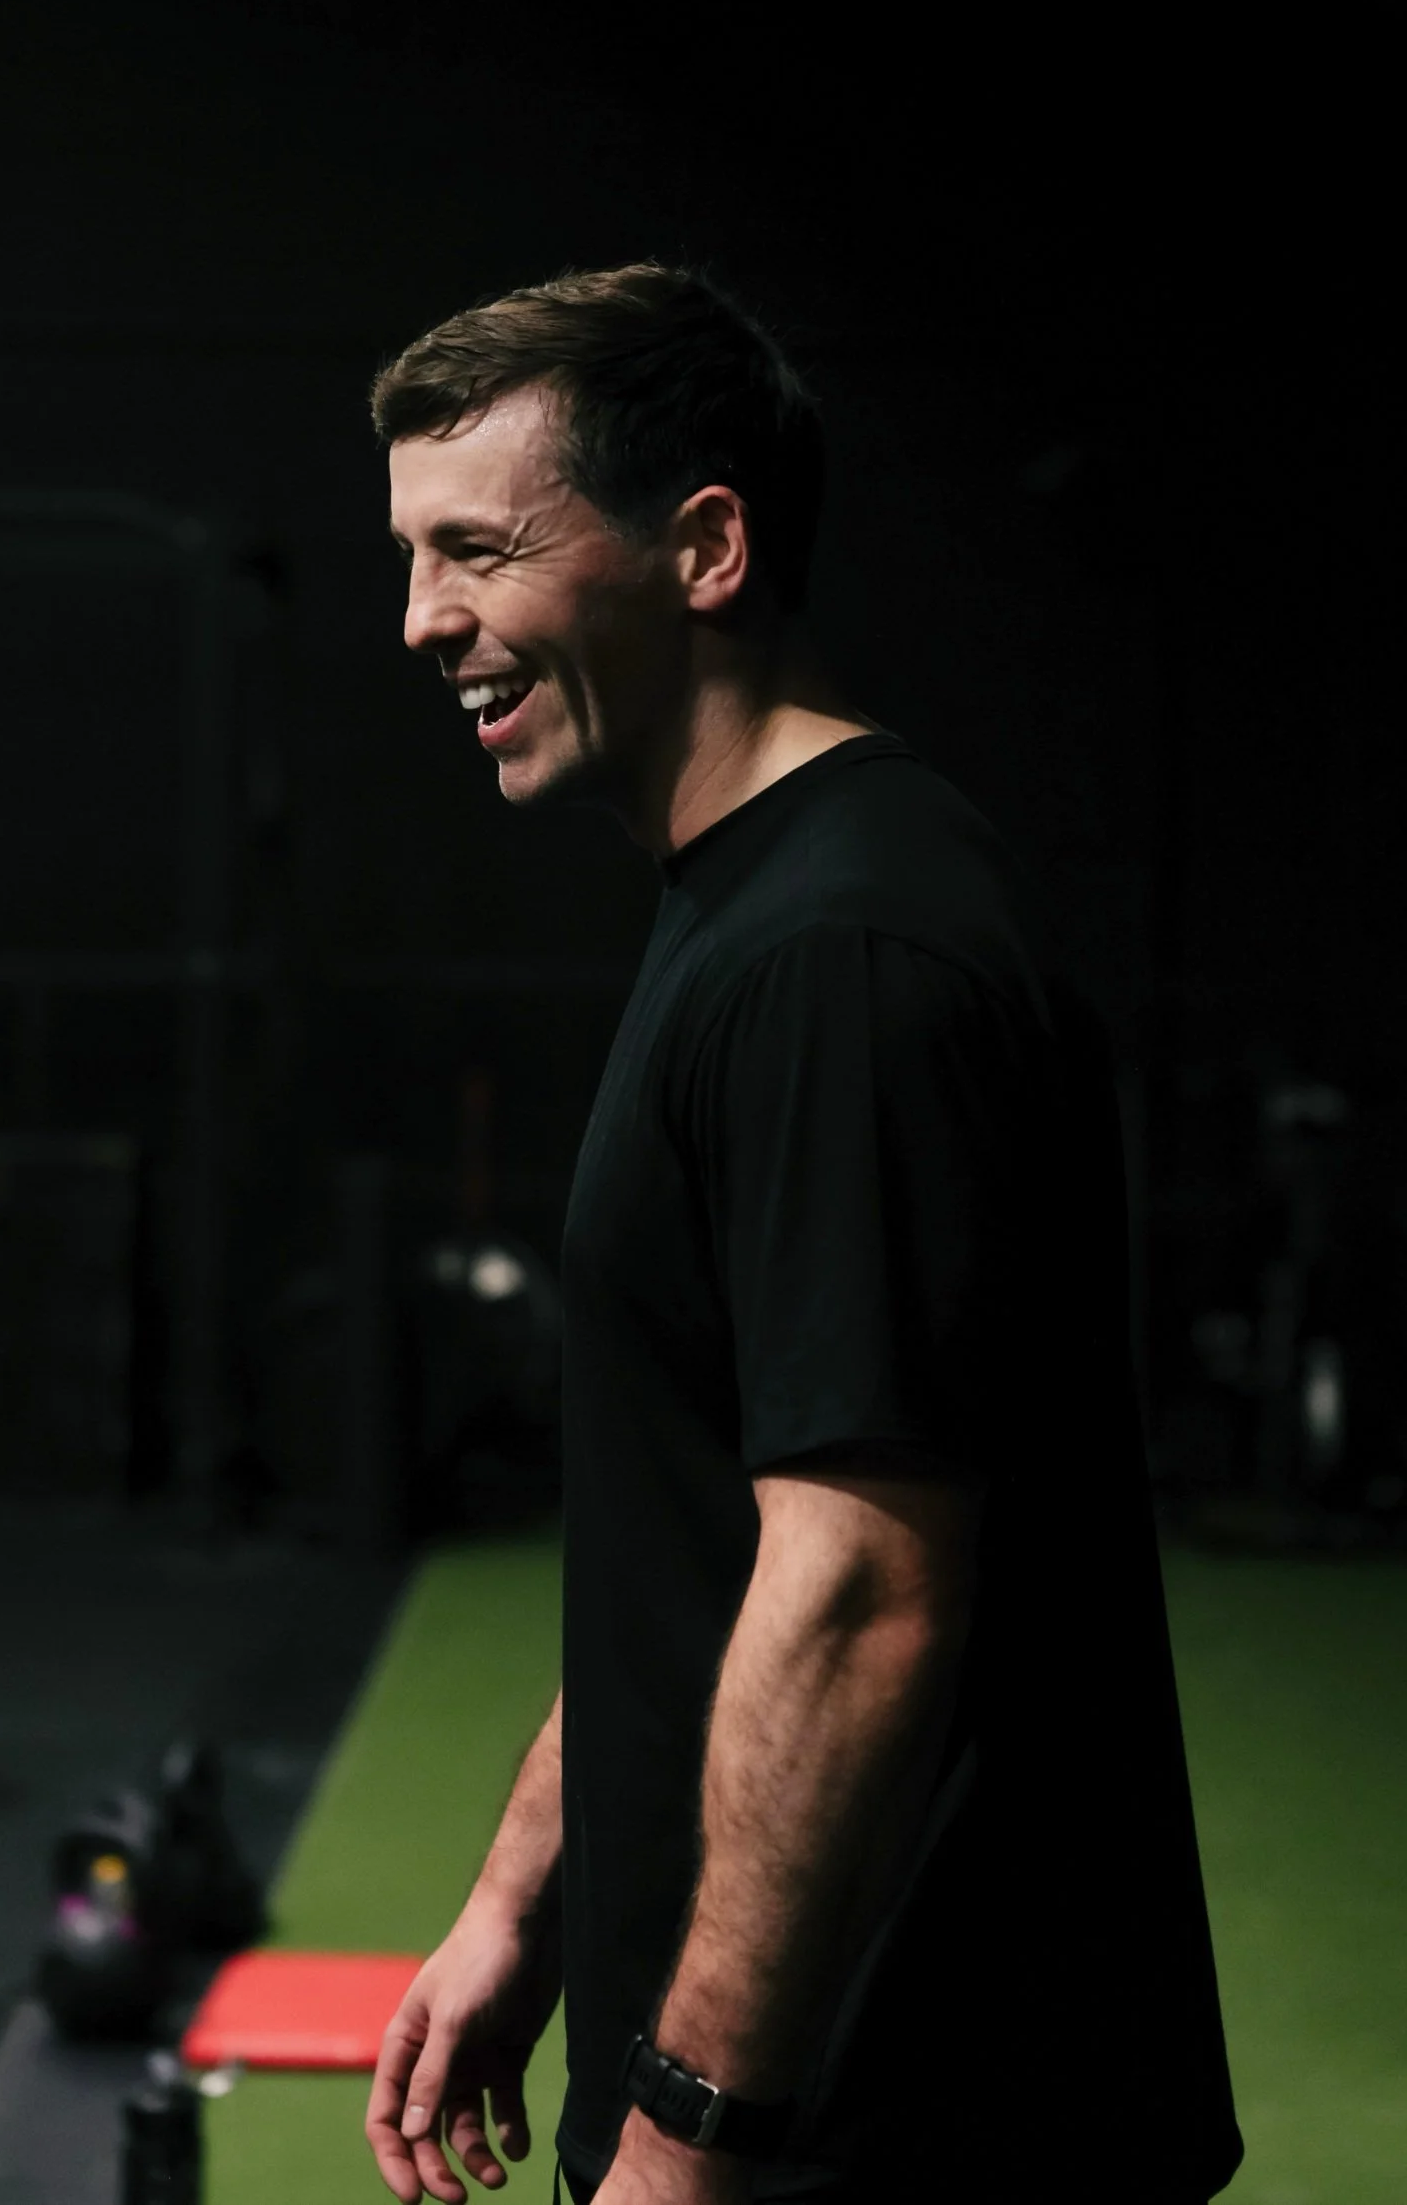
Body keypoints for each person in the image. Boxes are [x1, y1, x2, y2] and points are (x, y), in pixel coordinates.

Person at [363, 269, 1241, 2205]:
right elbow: (704, 1528)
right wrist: (523, 1896)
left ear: (702, 547)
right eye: (410, 556)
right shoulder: (754, 904)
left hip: (894, 2120)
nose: (420, 618)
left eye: (473, 551)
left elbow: (853, 1597)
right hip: (790, 2090)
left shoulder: (843, 953)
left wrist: (693, 2139)